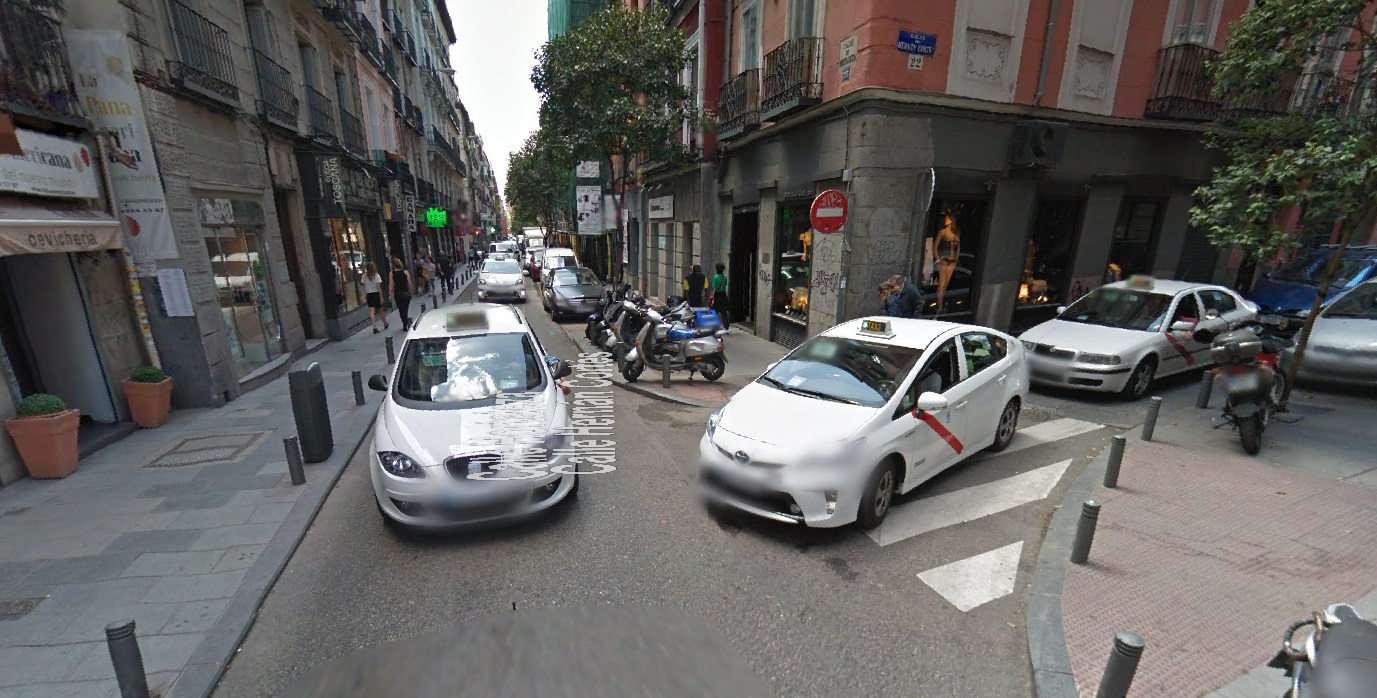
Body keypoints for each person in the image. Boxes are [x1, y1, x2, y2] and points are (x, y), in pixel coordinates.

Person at [363, 262, 387, 333]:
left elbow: (364, 285)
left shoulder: (364, 276)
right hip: (376, 294)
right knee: (380, 310)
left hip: (369, 295)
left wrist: (366, 293)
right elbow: (378, 287)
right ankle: (385, 323)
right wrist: (381, 297)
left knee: (371, 311)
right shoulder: (376, 276)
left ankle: (374, 327)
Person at [391, 257, 412, 328]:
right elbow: (410, 283)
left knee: (401, 309)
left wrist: (390, 294)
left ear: (393, 265)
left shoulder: (392, 273)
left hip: (398, 293)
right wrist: (411, 291)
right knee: (405, 309)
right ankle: (406, 320)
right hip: (406, 292)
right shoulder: (405, 272)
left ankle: (404, 323)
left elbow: (391, 284)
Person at [708, 262, 730, 330]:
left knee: (714, 311)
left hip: (717, 295)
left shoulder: (715, 277)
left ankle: (713, 325)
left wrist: (712, 296)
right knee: (724, 312)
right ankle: (726, 326)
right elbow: (725, 284)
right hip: (723, 295)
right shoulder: (725, 277)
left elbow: (714, 287)